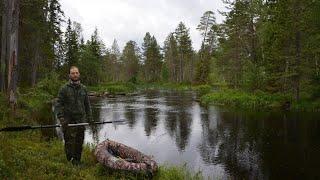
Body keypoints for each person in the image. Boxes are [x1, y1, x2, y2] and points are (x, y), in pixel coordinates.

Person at [55, 66, 93, 165]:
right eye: (73, 73)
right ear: (69, 75)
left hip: (81, 120)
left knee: (79, 142)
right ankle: (70, 161)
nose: (75, 75)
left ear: (79, 74)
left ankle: (77, 161)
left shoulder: (84, 88)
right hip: (68, 120)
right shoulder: (64, 89)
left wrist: (90, 117)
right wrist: (61, 118)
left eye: (76, 73)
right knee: (69, 143)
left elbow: (87, 105)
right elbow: (58, 104)